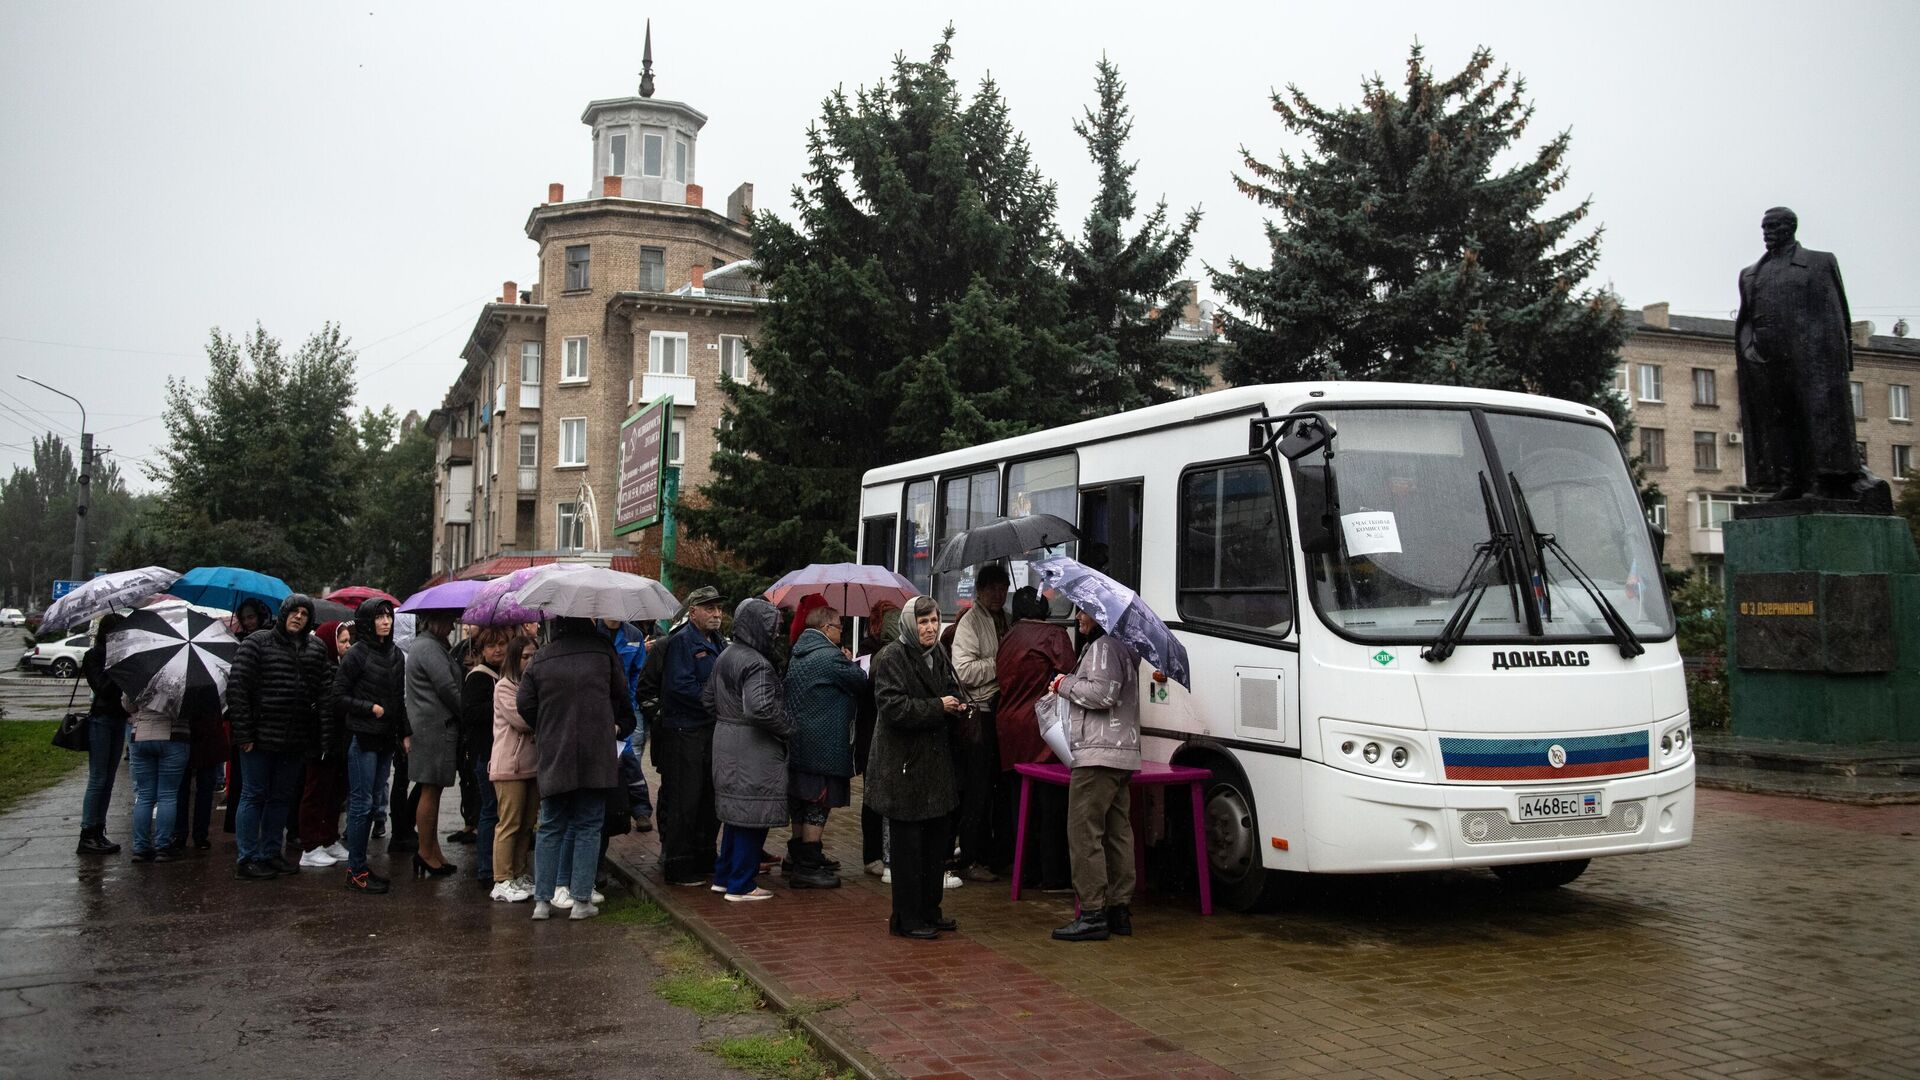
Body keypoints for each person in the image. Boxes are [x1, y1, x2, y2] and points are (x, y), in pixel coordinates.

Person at [517, 616, 637, 921]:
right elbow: (621, 696)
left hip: (555, 751)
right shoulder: (603, 651)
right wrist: (616, 724)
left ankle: (543, 902)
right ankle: (582, 900)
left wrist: (546, 726)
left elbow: (525, 703)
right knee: (588, 824)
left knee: (550, 826)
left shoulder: (541, 657)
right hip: (595, 751)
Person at [867, 596, 966, 939]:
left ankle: (929, 910)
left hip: (935, 766)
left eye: (934, 620)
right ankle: (907, 919)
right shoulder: (893, 656)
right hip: (904, 767)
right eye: (923, 622)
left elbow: (949, 690)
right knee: (908, 848)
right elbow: (893, 707)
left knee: (935, 845)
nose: (930, 627)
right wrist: (938, 706)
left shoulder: (938, 653)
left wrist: (957, 704)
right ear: (911, 624)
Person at [1049, 604, 1141, 942]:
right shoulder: (1126, 648)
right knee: (1118, 832)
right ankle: (1119, 910)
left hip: (1097, 754)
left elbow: (1103, 693)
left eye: (1084, 612)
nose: (1078, 617)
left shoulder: (1103, 648)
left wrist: (1064, 684)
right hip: (1123, 753)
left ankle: (1091, 912)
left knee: (1084, 831)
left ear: (1101, 616)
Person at [227, 594, 330, 881]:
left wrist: (321, 737)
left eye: (304, 613)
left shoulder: (316, 649)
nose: (298, 617)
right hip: (258, 738)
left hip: (295, 738)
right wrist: (244, 733)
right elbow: (238, 690)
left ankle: (271, 853)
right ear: (283, 614)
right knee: (253, 795)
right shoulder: (256, 643)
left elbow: (324, 693)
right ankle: (247, 858)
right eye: (294, 612)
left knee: (281, 799)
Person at [705, 598, 791, 901]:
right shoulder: (758, 663)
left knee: (735, 814)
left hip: (725, 740)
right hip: (754, 748)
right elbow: (761, 708)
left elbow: (707, 699)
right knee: (753, 813)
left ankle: (725, 876)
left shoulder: (726, 654)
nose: (776, 633)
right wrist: (789, 727)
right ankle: (741, 884)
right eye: (773, 627)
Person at [994, 586, 1077, 891]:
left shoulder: (1008, 636)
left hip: (1008, 728)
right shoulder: (1054, 636)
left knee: (1019, 801)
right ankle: (1052, 875)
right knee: (1050, 804)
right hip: (1041, 730)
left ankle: (1024, 871)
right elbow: (1069, 676)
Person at [783, 603, 863, 889]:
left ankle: (796, 856)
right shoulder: (830, 657)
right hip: (823, 746)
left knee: (800, 801)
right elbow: (861, 681)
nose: (842, 631)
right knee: (818, 803)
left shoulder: (799, 653)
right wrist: (850, 661)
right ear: (827, 628)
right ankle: (808, 865)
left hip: (799, 743)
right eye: (840, 627)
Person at [333, 598, 410, 894]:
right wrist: (369, 708)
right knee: (361, 805)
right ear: (368, 621)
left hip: (385, 739)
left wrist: (405, 733)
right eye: (379, 617)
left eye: (388, 616)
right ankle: (356, 869)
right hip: (363, 737)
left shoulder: (395, 654)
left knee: (375, 801)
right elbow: (338, 697)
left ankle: (360, 867)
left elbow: (398, 698)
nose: (386, 621)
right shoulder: (356, 655)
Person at [652, 586, 727, 887]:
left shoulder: (719, 643)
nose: (716, 614)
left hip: (709, 731)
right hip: (685, 731)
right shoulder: (682, 642)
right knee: (686, 799)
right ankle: (679, 864)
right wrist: (715, 701)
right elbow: (679, 687)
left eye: (719, 608)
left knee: (708, 798)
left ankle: (704, 856)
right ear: (693, 611)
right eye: (709, 608)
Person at [949, 564, 1011, 882]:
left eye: (1004, 588)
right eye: (994, 589)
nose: (1000, 594)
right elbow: (964, 671)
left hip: (1000, 712)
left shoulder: (1005, 619)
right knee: (977, 790)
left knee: (996, 789)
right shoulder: (971, 622)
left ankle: (989, 855)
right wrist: (1000, 662)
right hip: (979, 713)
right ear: (980, 591)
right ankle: (970, 858)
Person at [403, 613, 464, 878]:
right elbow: (447, 687)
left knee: (433, 789)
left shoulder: (428, 645)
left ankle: (432, 850)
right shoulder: (428, 647)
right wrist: (465, 712)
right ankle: (426, 853)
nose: (452, 626)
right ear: (436, 621)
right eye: (449, 621)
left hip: (430, 727)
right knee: (430, 788)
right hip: (433, 729)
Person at [294, 621, 353, 867]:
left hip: (337, 741)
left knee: (333, 793)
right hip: (320, 742)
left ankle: (328, 838)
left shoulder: (339, 668)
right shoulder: (321, 670)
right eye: (342, 641)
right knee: (315, 792)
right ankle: (309, 845)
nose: (348, 646)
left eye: (349, 641)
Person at [489, 634, 539, 902]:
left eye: (534, 656)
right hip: (510, 765)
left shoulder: (532, 686)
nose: (530, 661)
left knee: (527, 824)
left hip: (533, 766)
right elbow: (522, 720)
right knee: (509, 823)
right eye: (525, 657)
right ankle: (502, 879)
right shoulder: (505, 687)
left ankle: (519, 873)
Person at [76, 613, 130, 856]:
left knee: (108, 779)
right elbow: (103, 689)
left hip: (118, 719)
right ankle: (88, 832)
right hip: (101, 719)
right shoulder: (94, 656)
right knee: (98, 778)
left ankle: (99, 829)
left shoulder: (121, 656)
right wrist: (116, 665)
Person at [221, 598, 275, 837]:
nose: (248, 622)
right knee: (244, 783)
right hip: (243, 721)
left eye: (251, 617)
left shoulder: (272, 640)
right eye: (244, 618)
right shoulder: (238, 643)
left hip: (266, 719)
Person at [854, 600, 899, 876]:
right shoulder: (869, 651)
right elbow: (865, 684)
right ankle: (872, 854)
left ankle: (884, 851)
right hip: (871, 732)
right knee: (872, 795)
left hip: (881, 731)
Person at [461, 627, 508, 885]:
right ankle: (486, 869)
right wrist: (500, 702)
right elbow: (469, 715)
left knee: (502, 812)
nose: (497, 650)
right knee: (490, 810)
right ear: (482, 651)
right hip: (486, 754)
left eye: (501, 644)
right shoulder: (478, 678)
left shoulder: (507, 674)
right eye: (491, 646)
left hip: (503, 753)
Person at [125, 688, 193, 863]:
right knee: (167, 795)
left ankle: (140, 847)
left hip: (141, 734)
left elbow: (127, 705)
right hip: (174, 736)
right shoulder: (184, 677)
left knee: (145, 795)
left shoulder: (142, 673)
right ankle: (163, 846)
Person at [610, 621, 653, 832]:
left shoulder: (633, 634)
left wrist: (634, 701)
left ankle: (640, 808)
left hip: (628, 706)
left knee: (631, 754)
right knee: (622, 757)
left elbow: (639, 671)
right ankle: (629, 807)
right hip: (604, 705)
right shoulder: (595, 631)